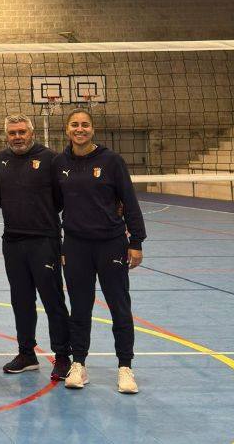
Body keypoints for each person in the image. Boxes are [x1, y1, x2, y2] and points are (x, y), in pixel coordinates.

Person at [53, 109, 146, 394]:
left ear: (92, 129)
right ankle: (79, 364)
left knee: (119, 306)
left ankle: (125, 367)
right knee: (80, 308)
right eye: (74, 124)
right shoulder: (59, 162)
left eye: (85, 125)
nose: (80, 129)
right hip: (76, 246)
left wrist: (136, 241)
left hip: (111, 243)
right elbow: (53, 204)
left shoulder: (112, 161)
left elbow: (129, 201)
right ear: (67, 129)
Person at [0, 115, 71, 380]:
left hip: (44, 240)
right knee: (21, 300)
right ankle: (26, 353)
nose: (17, 137)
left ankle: (63, 357)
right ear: (6, 136)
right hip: (13, 241)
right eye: (12, 132)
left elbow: (60, 199)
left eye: (22, 132)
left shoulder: (50, 159)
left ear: (31, 133)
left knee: (53, 300)